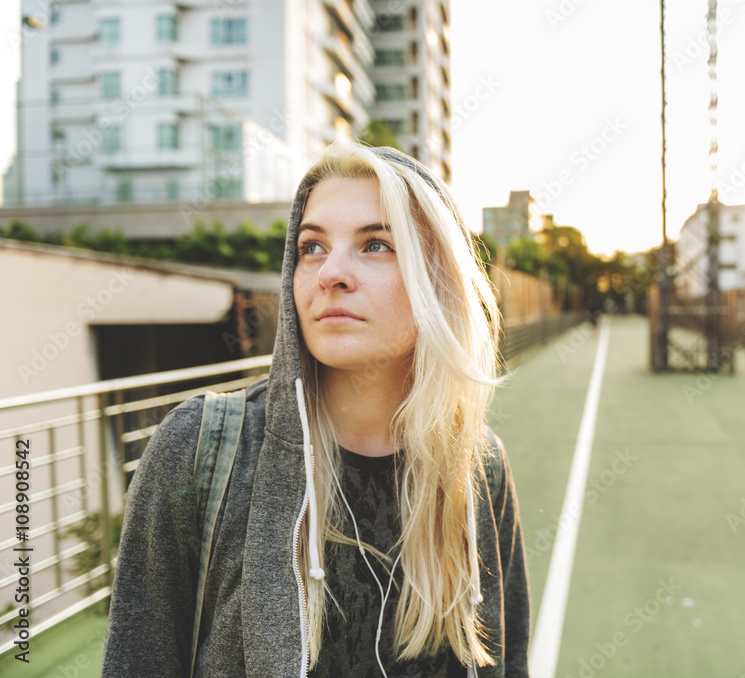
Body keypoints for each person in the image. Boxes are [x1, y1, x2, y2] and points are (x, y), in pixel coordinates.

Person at [101, 143, 531, 677]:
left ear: (439, 280)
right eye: (311, 247)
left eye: (375, 244)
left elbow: (508, 661)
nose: (331, 273)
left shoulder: (479, 465)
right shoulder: (199, 450)